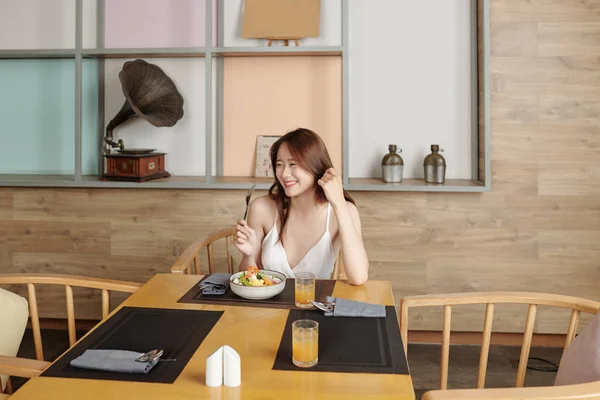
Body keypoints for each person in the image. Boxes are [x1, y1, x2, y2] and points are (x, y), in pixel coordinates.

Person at [233, 128, 369, 285]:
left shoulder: (343, 211)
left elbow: (358, 277)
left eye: (293, 164)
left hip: (314, 306)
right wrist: (247, 256)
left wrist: (338, 202)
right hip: (268, 305)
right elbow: (248, 281)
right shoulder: (261, 208)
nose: (284, 174)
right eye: (279, 164)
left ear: (316, 166)